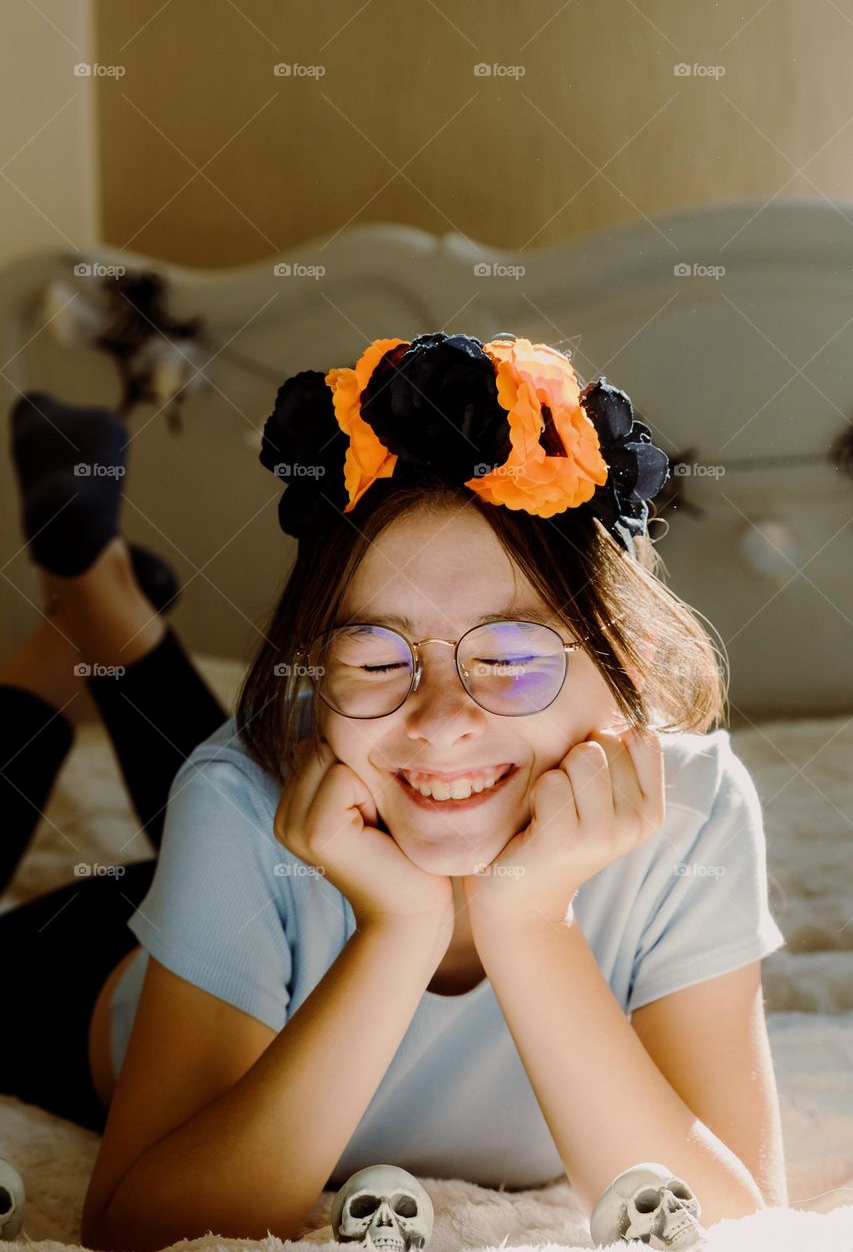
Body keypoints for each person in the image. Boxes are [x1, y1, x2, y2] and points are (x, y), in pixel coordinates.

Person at [1, 336, 787, 1252]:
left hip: (274, 869)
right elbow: (135, 1228)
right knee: (234, 782)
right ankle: (84, 619)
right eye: (376, 658)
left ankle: (96, 608)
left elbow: (739, 1222)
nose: (442, 720)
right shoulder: (244, 798)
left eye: (510, 658)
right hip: (97, 968)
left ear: (633, 664)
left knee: (248, 780)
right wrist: (397, 931)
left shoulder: (694, 812)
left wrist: (528, 923)